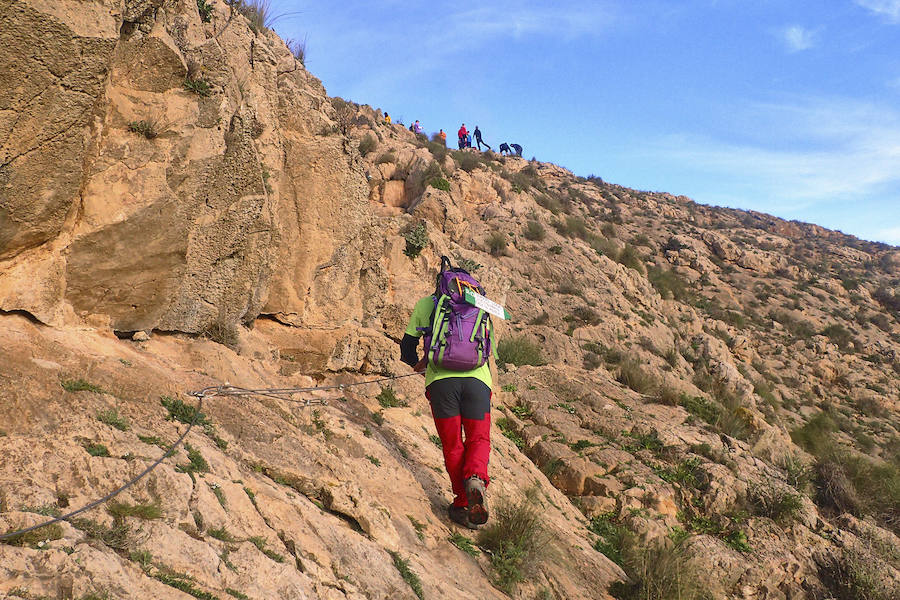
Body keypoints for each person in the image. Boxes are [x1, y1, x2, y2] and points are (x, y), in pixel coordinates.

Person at [400, 257, 495, 529]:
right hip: (478, 383)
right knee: (478, 438)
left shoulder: (426, 305)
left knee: (453, 445)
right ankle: (476, 477)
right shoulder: (479, 305)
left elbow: (407, 348)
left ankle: (463, 502)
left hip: (441, 384)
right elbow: (486, 349)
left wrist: (421, 365)